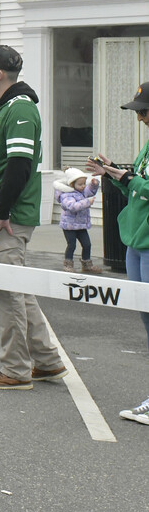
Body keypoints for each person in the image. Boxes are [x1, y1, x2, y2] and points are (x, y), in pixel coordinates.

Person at [0, 45, 67, 391]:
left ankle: (15, 370)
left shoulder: (20, 109)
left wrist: (1, 213)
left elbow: (20, 164)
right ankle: (47, 361)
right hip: (6, 214)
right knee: (19, 291)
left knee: (7, 294)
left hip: (7, 218)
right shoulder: (11, 107)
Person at [87, 83, 149, 424]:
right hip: (136, 240)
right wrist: (113, 172)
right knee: (144, 315)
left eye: (143, 111)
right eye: (137, 111)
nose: (139, 118)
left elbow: (145, 185)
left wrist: (127, 177)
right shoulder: (147, 144)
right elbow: (138, 182)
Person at [53, 168, 101, 273]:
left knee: (87, 244)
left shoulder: (81, 192)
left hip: (80, 225)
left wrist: (94, 184)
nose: (83, 186)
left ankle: (86, 263)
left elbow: (89, 192)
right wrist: (87, 202)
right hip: (69, 226)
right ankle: (68, 263)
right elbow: (72, 206)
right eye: (80, 184)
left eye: (84, 183)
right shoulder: (66, 195)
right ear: (71, 184)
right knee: (72, 244)